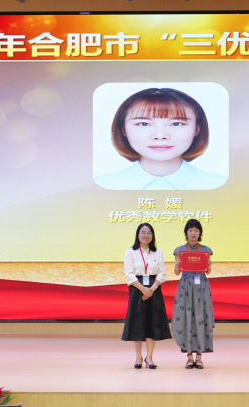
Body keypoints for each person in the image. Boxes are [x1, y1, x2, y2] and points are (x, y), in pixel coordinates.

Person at [94, 87, 227, 190]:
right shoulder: (101, 186)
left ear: (197, 129)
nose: (160, 135)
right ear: (123, 129)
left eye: (176, 123)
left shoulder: (219, 185)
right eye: (144, 123)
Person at [122, 222, 172, 368]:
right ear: (138, 235)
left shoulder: (158, 252)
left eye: (149, 233)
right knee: (137, 323)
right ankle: (138, 357)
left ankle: (149, 357)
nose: (146, 235)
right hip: (137, 288)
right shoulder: (130, 252)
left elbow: (161, 274)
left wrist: (152, 288)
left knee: (152, 322)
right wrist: (143, 289)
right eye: (143, 232)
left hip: (154, 289)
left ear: (153, 236)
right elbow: (129, 274)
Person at [172, 219, 215, 368]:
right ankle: (189, 356)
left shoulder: (206, 250)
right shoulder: (179, 250)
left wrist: (208, 266)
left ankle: (199, 357)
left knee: (201, 317)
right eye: (190, 230)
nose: (193, 233)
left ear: (200, 233)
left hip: (201, 286)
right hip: (186, 286)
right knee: (187, 317)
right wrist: (176, 266)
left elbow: (208, 272)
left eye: (196, 230)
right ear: (186, 232)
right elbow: (177, 273)